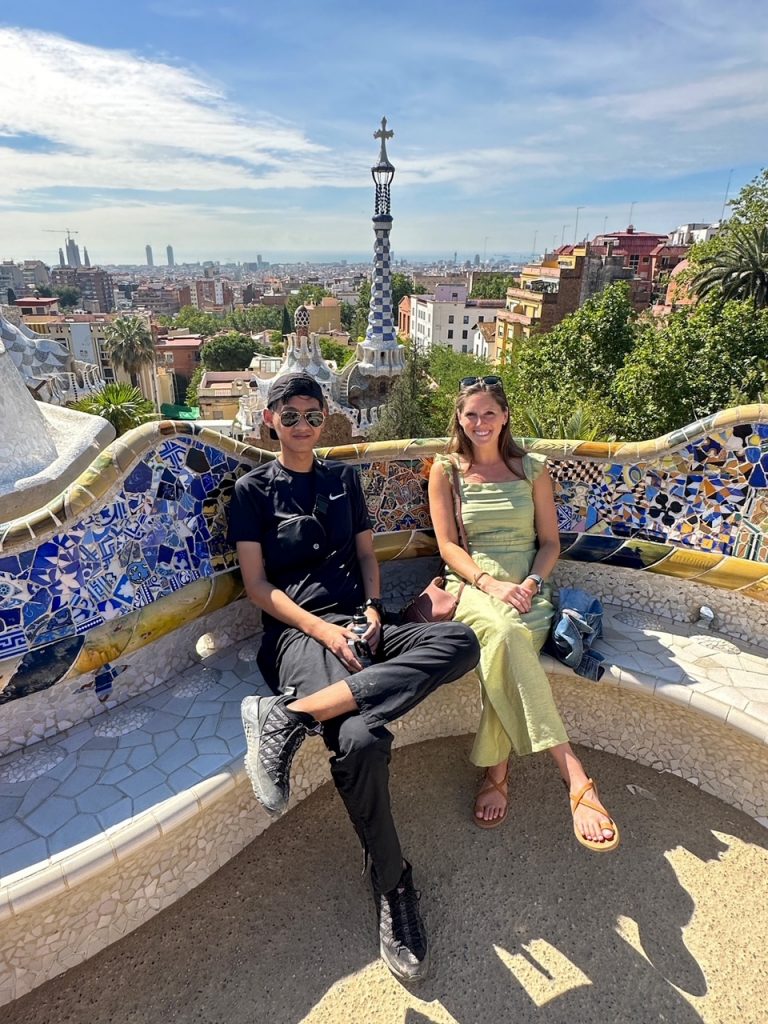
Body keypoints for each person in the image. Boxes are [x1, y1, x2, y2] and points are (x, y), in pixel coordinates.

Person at [228, 372, 481, 981]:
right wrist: (324, 632)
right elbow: (258, 588)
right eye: (289, 416)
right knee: (361, 743)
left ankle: (290, 716)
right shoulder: (251, 490)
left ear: (324, 419)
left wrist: (370, 612)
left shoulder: (343, 478)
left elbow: (368, 555)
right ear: (270, 420)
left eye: (312, 414)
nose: (302, 425)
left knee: (460, 642)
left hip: (360, 623)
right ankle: (394, 887)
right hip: (298, 637)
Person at [427, 375, 620, 852]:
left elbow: (550, 542)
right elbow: (448, 545)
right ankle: (573, 772)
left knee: (507, 640)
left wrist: (531, 584)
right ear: (459, 419)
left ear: (505, 416)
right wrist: (490, 583)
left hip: (530, 586)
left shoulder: (531, 468)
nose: (479, 423)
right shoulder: (445, 471)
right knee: (502, 632)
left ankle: (498, 769)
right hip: (475, 585)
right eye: (470, 414)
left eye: (489, 413)